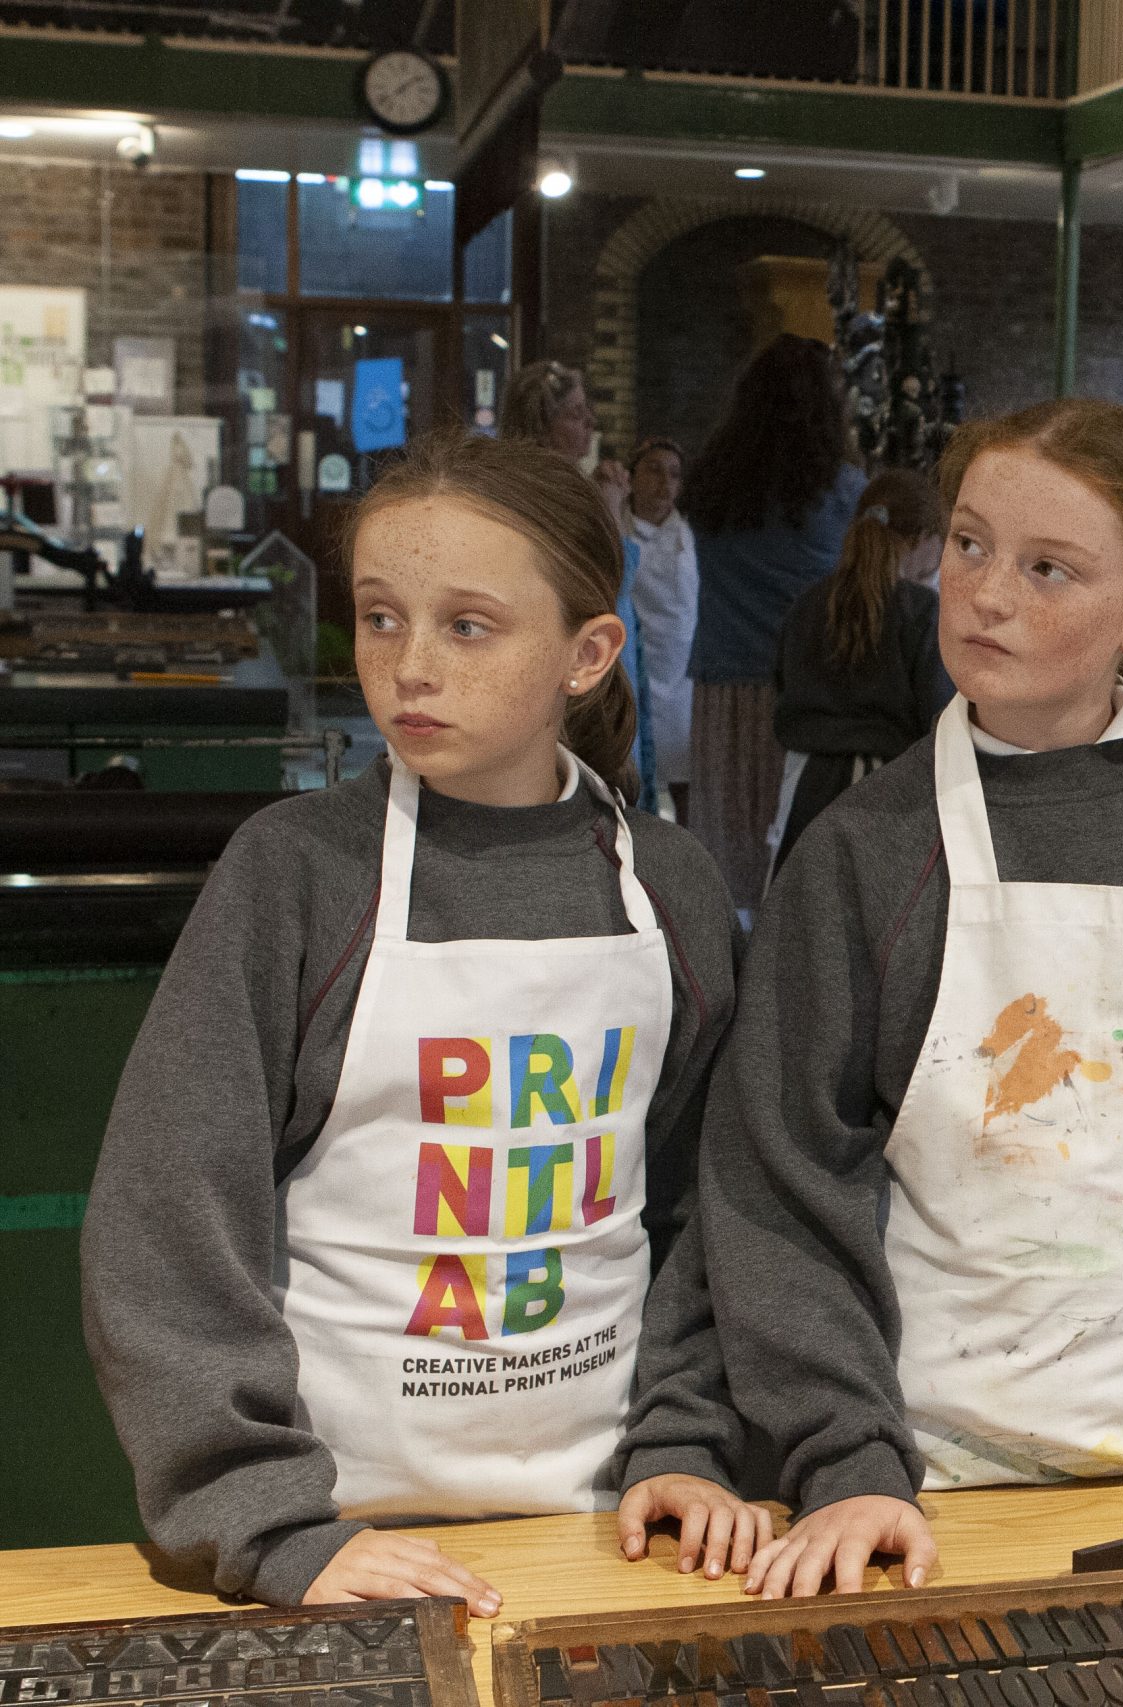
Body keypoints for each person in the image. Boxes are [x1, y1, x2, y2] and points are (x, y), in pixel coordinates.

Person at [80, 431, 761, 1611]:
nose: (409, 667)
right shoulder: (296, 873)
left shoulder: (674, 885)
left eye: (468, 626)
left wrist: (684, 1443)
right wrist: (264, 1515)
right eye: (381, 617)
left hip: (606, 1527)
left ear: (589, 654)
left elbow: (709, 1206)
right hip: (341, 1527)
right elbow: (170, 1211)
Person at [701, 399, 1123, 1601]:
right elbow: (783, 1185)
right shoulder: (862, 852)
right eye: (967, 545)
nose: (985, 594)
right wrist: (847, 1455)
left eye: (1047, 567)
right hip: (930, 1474)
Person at [685, 334, 868, 910]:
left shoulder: (710, 483)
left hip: (724, 682)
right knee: (797, 849)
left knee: (726, 847)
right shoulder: (843, 492)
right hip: (809, 688)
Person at [767, 466, 951, 877]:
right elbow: (939, 713)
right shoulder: (921, 610)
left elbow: (782, 686)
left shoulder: (807, 603)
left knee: (807, 922)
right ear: (923, 540)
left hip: (805, 786)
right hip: (891, 793)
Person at [500, 361, 654, 802]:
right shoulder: (537, 492)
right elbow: (601, 581)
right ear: (542, 424)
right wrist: (607, 512)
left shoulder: (574, 485)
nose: (590, 423)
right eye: (575, 412)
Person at [626, 437, 699, 822]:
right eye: (654, 470)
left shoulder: (689, 534)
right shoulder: (618, 530)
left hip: (683, 674)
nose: (664, 483)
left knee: (687, 780)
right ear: (633, 477)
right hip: (638, 665)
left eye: (674, 475)